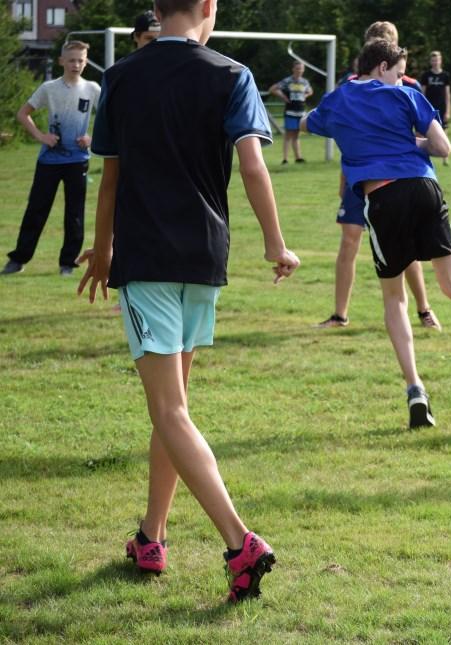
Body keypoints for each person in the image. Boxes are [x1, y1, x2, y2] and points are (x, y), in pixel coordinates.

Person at [78, 0, 300, 603]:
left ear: (157, 9)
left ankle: (240, 544)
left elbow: (112, 177)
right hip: (204, 258)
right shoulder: (233, 74)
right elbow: (254, 167)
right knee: (172, 410)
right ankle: (152, 535)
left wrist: (102, 250)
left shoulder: (121, 75)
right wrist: (276, 245)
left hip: (147, 260)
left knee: (170, 411)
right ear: (208, 7)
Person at [303, 39, 451, 428]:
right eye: (397, 72)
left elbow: (310, 122)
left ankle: (416, 390)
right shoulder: (407, 96)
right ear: (381, 67)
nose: (401, 79)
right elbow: (443, 147)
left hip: (383, 197)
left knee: (394, 298)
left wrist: (346, 127)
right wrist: (413, 141)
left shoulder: (340, 99)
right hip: (425, 188)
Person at [318, 20, 440, 331]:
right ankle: (339, 314)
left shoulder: (407, 86)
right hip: (360, 176)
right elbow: (347, 132)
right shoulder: (350, 86)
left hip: (397, 179)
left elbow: (424, 136)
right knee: (349, 241)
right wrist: (345, 177)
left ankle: (424, 309)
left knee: (405, 246)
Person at [3, 41, 100, 276]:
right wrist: (41, 136)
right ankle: (18, 259)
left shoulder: (93, 89)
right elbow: (23, 113)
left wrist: (92, 138)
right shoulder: (49, 88)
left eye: (81, 60)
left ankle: (68, 263)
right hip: (49, 161)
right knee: (36, 210)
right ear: (61, 61)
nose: (76, 64)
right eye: (71, 60)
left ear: (86, 61)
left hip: (78, 161)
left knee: (75, 213)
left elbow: (112, 118)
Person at [268, 60, 313, 164]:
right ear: (293, 69)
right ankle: (285, 159)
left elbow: (310, 91)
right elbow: (273, 89)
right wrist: (282, 96)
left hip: (300, 111)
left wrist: (305, 96)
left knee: (296, 135)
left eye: (301, 68)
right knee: (288, 135)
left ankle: (298, 157)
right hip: (290, 111)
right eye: (297, 68)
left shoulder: (305, 82)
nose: (299, 70)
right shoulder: (287, 81)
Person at [420, 50, 451, 166]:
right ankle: (428, 156)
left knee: (444, 131)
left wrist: (448, 111)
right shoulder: (426, 76)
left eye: (437, 60)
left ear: (440, 61)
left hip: (442, 107)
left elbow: (448, 94)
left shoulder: (445, 76)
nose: (435, 62)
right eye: (433, 60)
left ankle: (445, 157)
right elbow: (422, 93)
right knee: (427, 132)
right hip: (429, 108)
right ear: (430, 61)